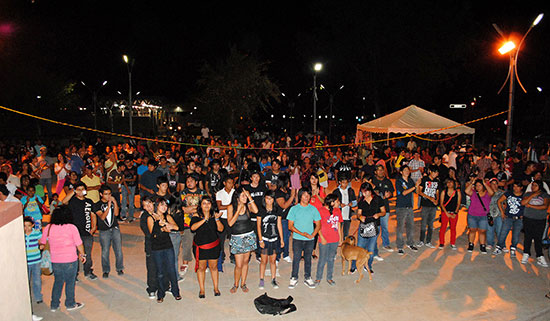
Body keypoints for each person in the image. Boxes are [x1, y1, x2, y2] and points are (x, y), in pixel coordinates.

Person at [39, 205, 86, 312]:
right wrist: (83, 255)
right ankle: (70, 304)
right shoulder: (71, 227)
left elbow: (42, 243)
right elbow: (79, 244)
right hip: (70, 260)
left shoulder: (48, 227)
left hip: (55, 261)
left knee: (58, 282)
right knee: (70, 282)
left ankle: (54, 305)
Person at [147, 198, 181, 302]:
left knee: (171, 270)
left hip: (167, 246)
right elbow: (153, 234)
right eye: (162, 205)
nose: (164, 207)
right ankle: (160, 293)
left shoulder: (167, 216)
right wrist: (161, 227)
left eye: (166, 205)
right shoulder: (151, 218)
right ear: (157, 206)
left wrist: (166, 224)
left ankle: (176, 291)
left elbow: (176, 227)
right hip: (156, 248)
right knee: (160, 271)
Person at [288, 187, 321, 289]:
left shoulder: (313, 209)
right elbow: (290, 226)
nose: (306, 197)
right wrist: (302, 234)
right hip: (297, 238)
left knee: (308, 258)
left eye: (308, 195)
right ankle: (294, 277)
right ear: (300, 196)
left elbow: (318, 224)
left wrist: (313, 235)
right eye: (304, 195)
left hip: (309, 239)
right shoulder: (294, 209)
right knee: (296, 258)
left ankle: (308, 277)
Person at [190, 196, 224, 298]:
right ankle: (202, 289)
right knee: (201, 268)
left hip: (213, 246)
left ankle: (216, 288)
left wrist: (217, 219)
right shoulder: (196, 215)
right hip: (200, 248)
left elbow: (221, 229)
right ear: (200, 205)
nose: (206, 205)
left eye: (208, 203)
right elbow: (193, 228)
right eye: (204, 203)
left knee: (214, 267)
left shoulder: (214, 215)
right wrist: (205, 219)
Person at [63, 182, 97, 280]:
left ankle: (88, 271)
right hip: (74, 232)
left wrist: (94, 227)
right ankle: (75, 274)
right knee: (74, 254)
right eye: (79, 189)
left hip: (86, 232)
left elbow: (93, 214)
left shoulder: (89, 201)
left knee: (87, 253)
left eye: (83, 189)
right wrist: (73, 192)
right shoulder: (72, 201)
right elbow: (63, 202)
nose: (81, 191)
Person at [227, 187, 258, 293]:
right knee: (238, 264)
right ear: (237, 197)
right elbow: (230, 223)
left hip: (248, 236)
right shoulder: (231, 207)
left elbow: (256, 210)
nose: (245, 197)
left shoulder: (248, 205)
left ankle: (243, 283)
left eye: (246, 195)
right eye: (243, 195)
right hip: (237, 238)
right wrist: (239, 209)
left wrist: (249, 197)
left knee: (245, 262)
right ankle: (235, 284)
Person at [352, 183, 386, 273]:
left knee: (370, 248)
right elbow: (358, 213)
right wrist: (360, 217)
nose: (364, 194)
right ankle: (354, 265)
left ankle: (368, 265)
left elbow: (384, 212)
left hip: (374, 226)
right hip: (364, 226)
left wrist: (378, 214)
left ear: (370, 191)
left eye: (366, 192)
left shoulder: (378, 199)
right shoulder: (361, 201)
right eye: (362, 192)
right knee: (360, 247)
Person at [93, 185, 124, 278]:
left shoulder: (113, 202)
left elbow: (116, 214)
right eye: (106, 194)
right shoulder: (97, 205)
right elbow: (102, 217)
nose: (108, 196)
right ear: (101, 194)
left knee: (118, 250)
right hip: (104, 230)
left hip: (115, 228)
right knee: (105, 251)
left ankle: (119, 268)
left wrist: (114, 202)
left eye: (109, 194)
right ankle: (106, 270)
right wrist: (108, 207)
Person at [180, 174, 207, 276]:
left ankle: (202, 262)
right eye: (187, 181)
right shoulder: (182, 193)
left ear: (196, 182)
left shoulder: (202, 193)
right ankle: (185, 262)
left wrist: (190, 209)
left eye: (191, 181)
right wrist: (195, 208)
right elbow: (181, 208)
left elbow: (205, 206)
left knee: (201, 243)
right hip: (187, 222)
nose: (189, 183)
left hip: (200, 221)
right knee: (187, 242)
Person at [256, 190, 284, 289]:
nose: (269, 200)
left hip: (274, 239)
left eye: (271, 198)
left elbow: (279, 224)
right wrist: (260, 240)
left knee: (273, 261)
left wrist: (282, 239)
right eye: (267, 198)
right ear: (265, 199)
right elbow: (258, 226)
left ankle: (273, 279)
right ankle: (261, 279)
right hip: (264, 239)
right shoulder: (261, 210)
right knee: (263, 260)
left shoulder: (277, 210)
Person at [520, 180, 550, 267]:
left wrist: (531, 206)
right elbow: (523, 203)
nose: (533, 187)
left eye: (535, 185)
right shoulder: (528, 194)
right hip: (528, 218)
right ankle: (526, 253)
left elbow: (544, 206)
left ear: (540, 186)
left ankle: (540, 255)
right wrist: (532, 195)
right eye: (532, 185)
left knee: (538, 237)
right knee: (528, 237)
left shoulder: (545, 195)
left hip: (540, 219)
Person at [315, 193, 343, 285]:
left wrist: (340, 238)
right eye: (337, 201)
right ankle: (318, 278)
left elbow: (338, 225)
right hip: (324, 239)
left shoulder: (337, 210)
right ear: (332, 202)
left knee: (331, 259)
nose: (339, 203)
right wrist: (321, 237)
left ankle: (329, 277)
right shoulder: (320, 211)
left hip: (334, 239)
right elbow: (317, 226)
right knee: (322, 259)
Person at [139, 196, 163, 299]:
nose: (148, 207)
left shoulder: (159, 213)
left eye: (149, 204)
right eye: (145, 205)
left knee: (163, 267)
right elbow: (150, 233)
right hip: (151, 246)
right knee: (152, 268)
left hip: (162, 245)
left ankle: (164, 286)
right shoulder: (144, 217)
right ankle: (152, 288)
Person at [493, 182, 525, 257]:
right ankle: (499, 247)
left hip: (518, 218)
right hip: (509, 217)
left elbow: (527, 205)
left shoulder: (524, 195)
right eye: (514, 186)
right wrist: (502, 212)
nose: (515, 188)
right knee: (503, 232)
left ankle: (513, 248)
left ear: (521, 188)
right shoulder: (509, 193)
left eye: (517, 187)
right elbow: (499, 201)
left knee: (516, 234)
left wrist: (524, 214)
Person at [465, 178, 494, 254]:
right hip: (472, 215)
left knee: (482, 231)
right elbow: (466, 191)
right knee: (472, 230)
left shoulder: (487, 194)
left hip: (483, 216)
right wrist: (472, 183)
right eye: (476, 186)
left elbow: (492, 192)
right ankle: (471, 244)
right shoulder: (473, 193)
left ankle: (482, 245)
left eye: (480, 185)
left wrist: (485, 184)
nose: (478, 187)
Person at [395, 166, 418, 255]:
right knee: (400, 228)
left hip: (409, 206)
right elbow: (404, 193)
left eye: (408, 170)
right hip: (401, 207)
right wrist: (414, 187)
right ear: (401, 172)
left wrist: (418, 186)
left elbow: (416, 191)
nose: (407, 172)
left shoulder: (411, 181)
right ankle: (400, 246)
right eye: (405, 170)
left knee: (410, 226)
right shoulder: (399, 181)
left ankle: (410, 243)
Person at [370, 164, 394, 252]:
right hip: (374, 209)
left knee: (384, 227)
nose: (381, 172)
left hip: (385, 208)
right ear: (375, 172)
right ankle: (373, 245)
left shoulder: (387, 181)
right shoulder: (372, 181)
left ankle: (386, 244)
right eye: (379, 170)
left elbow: (392, 192)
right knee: (374, 227)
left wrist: (389, 195)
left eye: (382, 170)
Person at [417, 165, 440, 248]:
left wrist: (437, 200)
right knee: (424, 223)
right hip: (425, 204)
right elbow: (420, 192)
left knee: (431, 223)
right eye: (434, 172)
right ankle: (421, 240)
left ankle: (428, 241)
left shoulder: (437, 181)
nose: (435, 174)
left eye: (437, 172)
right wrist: (430, 198)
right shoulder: (424, 180)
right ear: (430, 171)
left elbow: (437, 191)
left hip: (433, 205)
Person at [216, 176, 235, 271]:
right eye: (229, 183)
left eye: (232, 183)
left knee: (233, 238)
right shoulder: (219, 193)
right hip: (222, 218)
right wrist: (231, 206)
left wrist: (227, 207)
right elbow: (219, 207)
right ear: (224, 183)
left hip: (232, 218)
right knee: (221, 239)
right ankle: (221, 255)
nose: (231, 185)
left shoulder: (235, 192)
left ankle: (233, 255)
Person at [24, 216, 43, 304]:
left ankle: (38, 296)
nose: (26, 228)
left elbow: (42, 241)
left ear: (32, 225)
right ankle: (26, 297)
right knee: (26, 280)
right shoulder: (21, 234)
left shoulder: (36, 233)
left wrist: (41, 244)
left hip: (36, 260)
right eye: (24, 226)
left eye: (28, 226)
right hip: (25, 261)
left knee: (37, 280)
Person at [438, 178, 462, 249]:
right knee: (443, 228)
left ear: (454, 183)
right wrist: (446, 213)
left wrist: (455, 213)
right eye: (448, 182)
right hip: (445, 212)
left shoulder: (457, 192)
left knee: (453, 228)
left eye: (451, 182)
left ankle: (452, 242)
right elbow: (441, 204)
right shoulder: (444, 192)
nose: (449, 184)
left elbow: (458, 203)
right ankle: (442, 243)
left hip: (454, 213)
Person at [486, 178, 505, 250]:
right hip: (490, 213)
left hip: (499, 213)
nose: (494, 185)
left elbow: (505, 203)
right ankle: (490, 243)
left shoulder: (502, 193)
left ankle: (501, 244)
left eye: (496, 183)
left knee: (500, 230)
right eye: (492, 184)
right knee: (490, 229)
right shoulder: (487, 192)